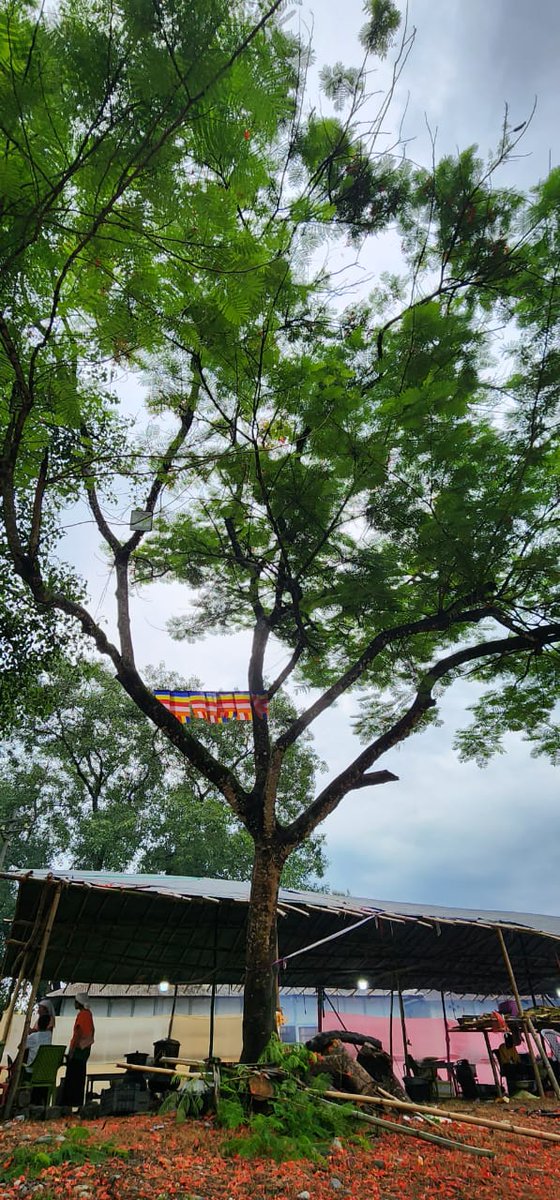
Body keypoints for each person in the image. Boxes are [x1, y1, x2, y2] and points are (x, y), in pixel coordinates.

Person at [60, 993, 94, 1108]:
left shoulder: (83, 1015)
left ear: (79, 1003)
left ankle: (70, 1102)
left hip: (79, 1049)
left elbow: (78, 1033)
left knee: (73, 1077)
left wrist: (71, 1050)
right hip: (85, 1049)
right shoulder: (89, 1014)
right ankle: (77, 1102)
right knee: (79, 1076)